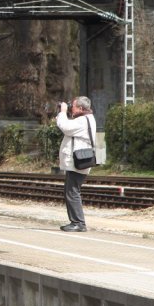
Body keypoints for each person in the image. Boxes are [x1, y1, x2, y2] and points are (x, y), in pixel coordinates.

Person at [56, 96, 96, 232]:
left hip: (77, 162)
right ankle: (76, 221)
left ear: (80, 108)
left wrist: (62, 112)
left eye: (73, 106)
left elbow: (65, 127)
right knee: (72, 191)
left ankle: (78, 223)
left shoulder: (82, 121)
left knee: (72, 192)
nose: (70, 108)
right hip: (78, 161)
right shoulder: (86, 118)